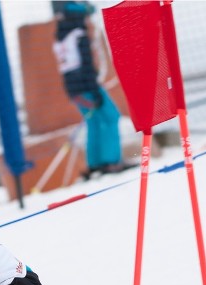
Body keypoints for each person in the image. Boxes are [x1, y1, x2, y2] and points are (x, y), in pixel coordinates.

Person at [52, 1, 126, 177]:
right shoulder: (78, 34)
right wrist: (94, 91)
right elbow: (85, 66)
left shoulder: (61, 36)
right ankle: (111, 162)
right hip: (87, 87)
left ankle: (95, 163)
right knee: (110, 116)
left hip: (74, 90)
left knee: (93, 122)